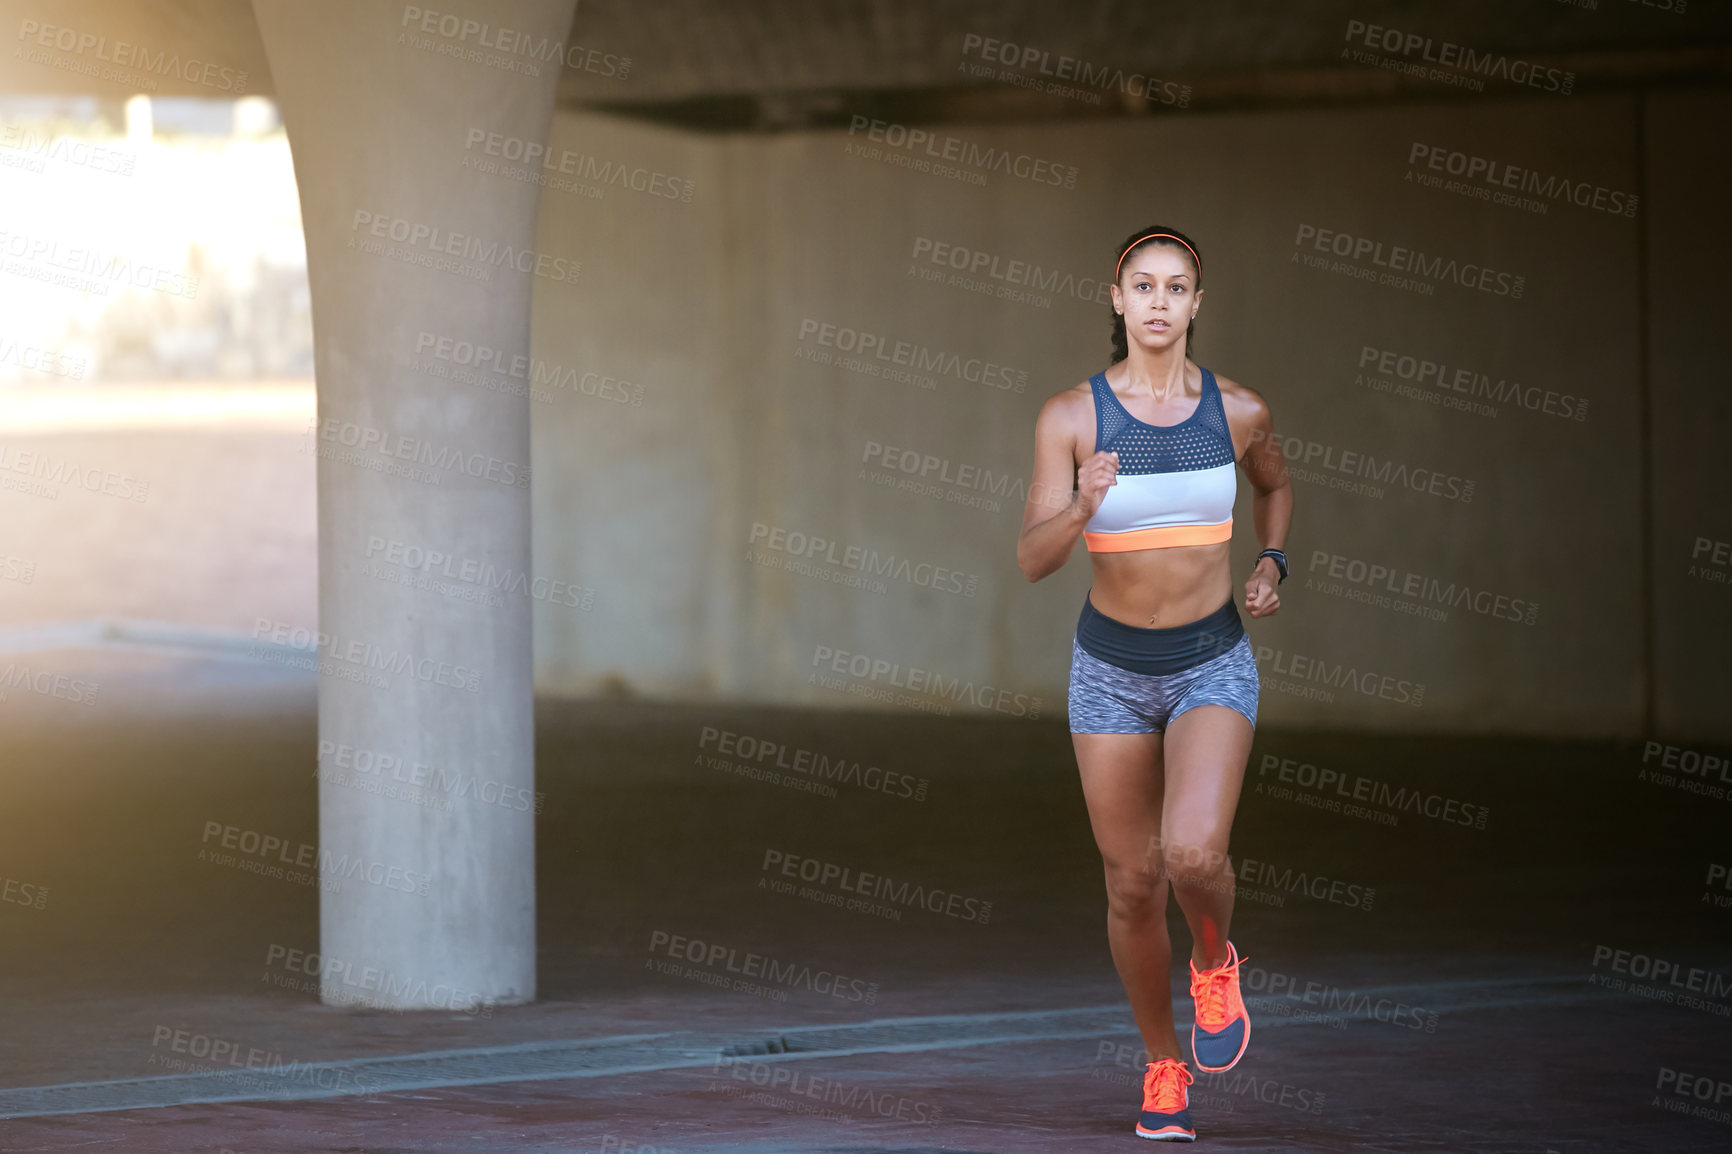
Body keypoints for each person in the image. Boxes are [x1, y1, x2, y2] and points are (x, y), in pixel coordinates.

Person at [1016, 226, 1293, 1142]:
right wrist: (1084, 505)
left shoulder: (1241, 410)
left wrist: (1273, 564)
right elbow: (1032, 561)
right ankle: (1162, 1065)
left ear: (1197, 304)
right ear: (1117, 298)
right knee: (1132, 885)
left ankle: (1216, 963)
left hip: (1212, 658)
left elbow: (1276, 488)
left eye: (1178, 287)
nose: (1160, 302)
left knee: (1194, 857)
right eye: (1145, 285)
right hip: (1109, 674)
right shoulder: (1071, 418)